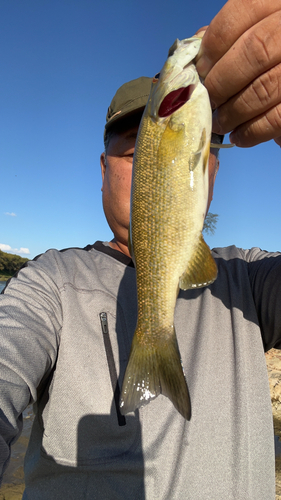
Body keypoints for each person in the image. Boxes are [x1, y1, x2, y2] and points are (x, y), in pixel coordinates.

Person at [1, 1, 281, 498]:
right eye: (133, 150)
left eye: (204, 145)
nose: (148, 162)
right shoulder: (49, 285)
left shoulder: (251, 278)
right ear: (103, 168)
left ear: (209, 168)